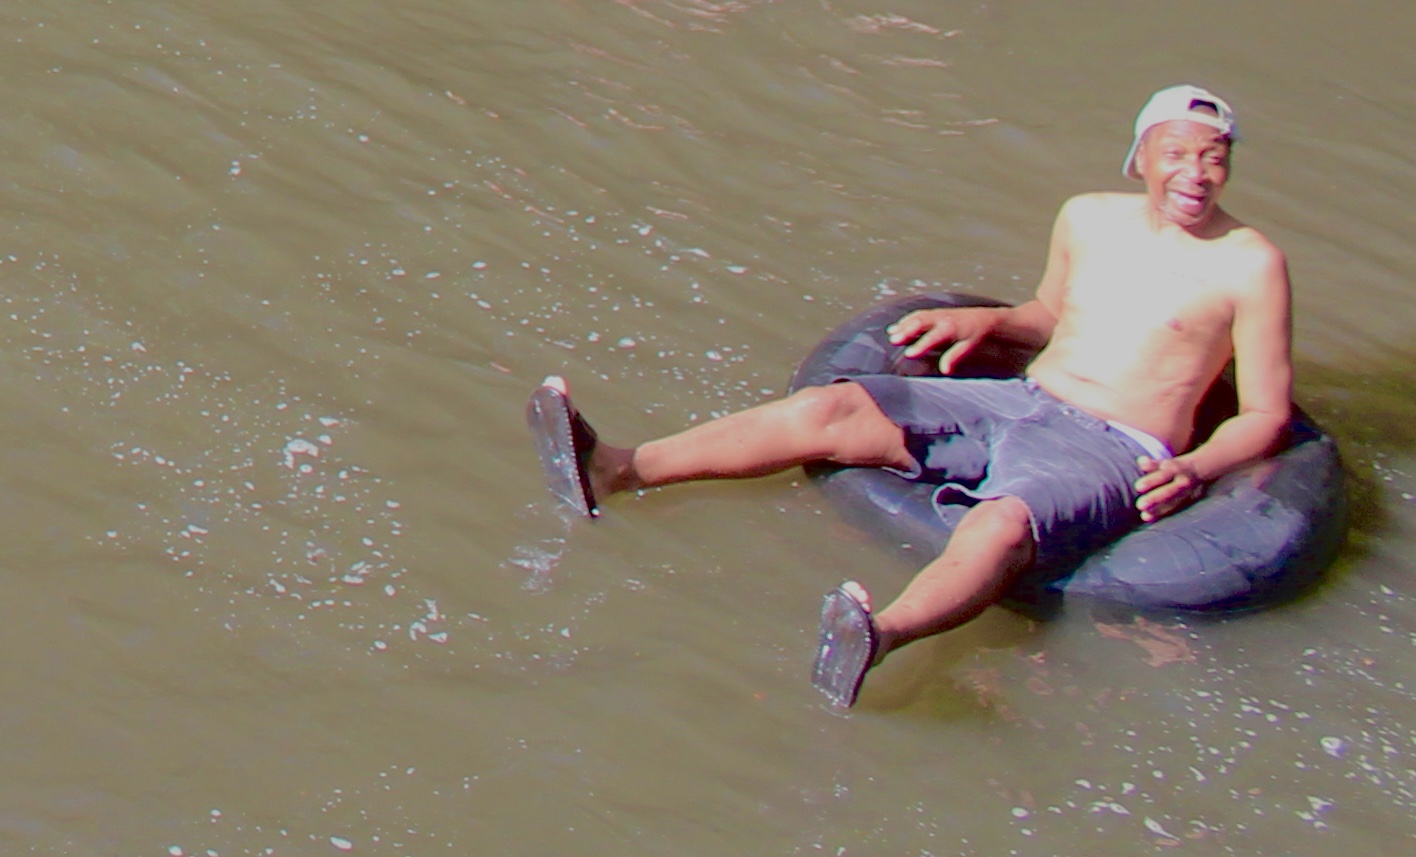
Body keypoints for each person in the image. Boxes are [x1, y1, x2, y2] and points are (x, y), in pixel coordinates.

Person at [526, 84, 1293, 707]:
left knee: (1000, 524)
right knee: (830, 409)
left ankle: (878, 635)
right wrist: (991, 321)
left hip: (1112, 445)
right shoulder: (1087, 217)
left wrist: (1194, 468)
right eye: (1177, 153)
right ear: (1140, 157)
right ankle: (616, 467)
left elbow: (1264, 412)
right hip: (1021, 399)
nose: (1196, 172)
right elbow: (1050, 315)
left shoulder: (1250, 264)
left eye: (1214, 156)